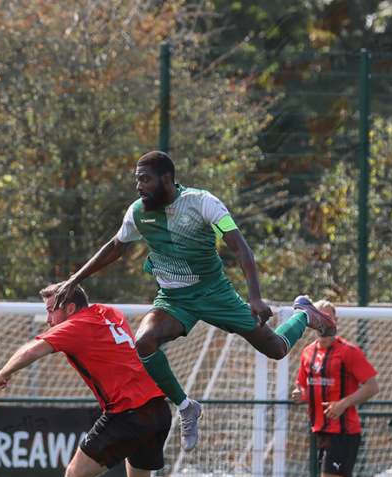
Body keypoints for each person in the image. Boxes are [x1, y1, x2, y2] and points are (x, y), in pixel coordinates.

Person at [53, 150, 336, 452]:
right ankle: (186, 406)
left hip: (215, 293)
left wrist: (254, 295)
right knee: (144, 342)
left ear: (166, 179)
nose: (139, 187)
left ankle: (304, 313)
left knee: (277, 349)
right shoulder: (138, 213)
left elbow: (240, 247)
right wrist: (75, 279)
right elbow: (114, 248)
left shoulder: (202, 203)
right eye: (137, 180)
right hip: (174, 300)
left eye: (145, 180)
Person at [0, 283, 170, 477]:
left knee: (76, 474)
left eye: (52, 311)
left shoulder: (74, 326)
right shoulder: (110, 312)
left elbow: (33, 349)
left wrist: (5, 371)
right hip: (157, 409)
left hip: (127, 413)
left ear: (71, 308)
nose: (49, 320)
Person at [291, 300, 392, 477]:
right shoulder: (308, 352)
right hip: (321, 430)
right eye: (317, 316)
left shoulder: (349, 351)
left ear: (335, 320)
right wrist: (300, 394)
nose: (322, 320)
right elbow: (305, 388)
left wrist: (343, 404)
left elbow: (372, 385)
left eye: (327, 316)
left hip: (344, 431)